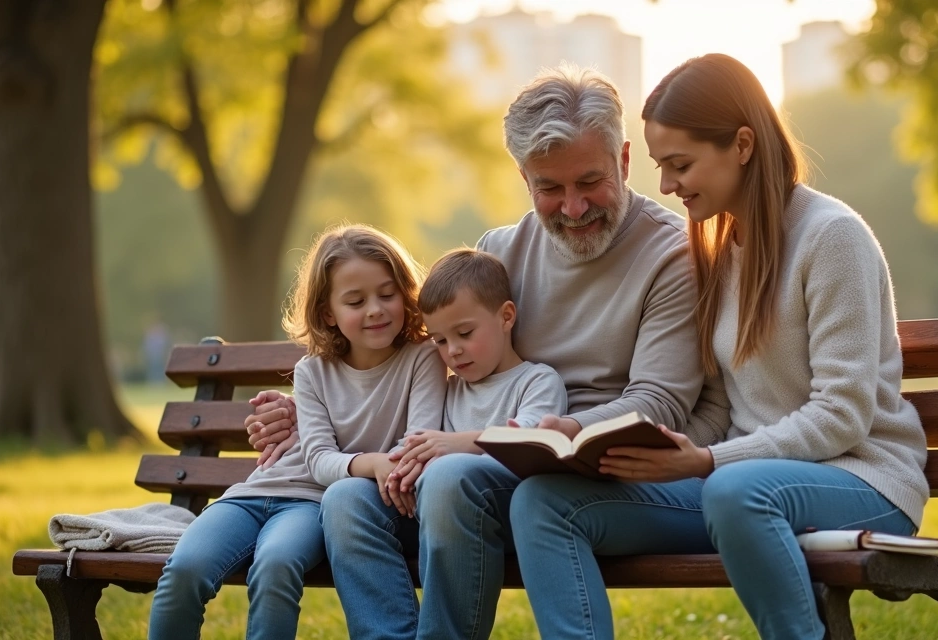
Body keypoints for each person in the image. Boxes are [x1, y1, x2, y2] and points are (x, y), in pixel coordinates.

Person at [245, 64, 727, 640]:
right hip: (499, 465)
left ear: (624, 161)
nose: (573, 208)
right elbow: (429, 347)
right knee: (350, 497)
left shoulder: (671, 255)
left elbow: (660, 404)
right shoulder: (501, 251)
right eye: (550, 188)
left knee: (451, 479)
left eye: (590, 181)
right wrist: (313, 404)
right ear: (524, 178)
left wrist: (546, 432)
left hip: (610, 472)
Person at [509, 53, 931, 640]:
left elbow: (844, 415)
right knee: (544, 502)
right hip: (739, 487)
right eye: (660, 165)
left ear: (741, 144)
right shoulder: (718, 250)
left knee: (737, 491)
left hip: (860, 479)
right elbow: (721, 406)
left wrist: (709, 463)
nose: (664, 186)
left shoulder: (832, 237)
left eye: (680, 164)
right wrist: (665, 452)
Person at [147, 224, 446, 640]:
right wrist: (373, 462)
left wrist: (381, 463)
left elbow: (416, 442)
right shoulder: (311, 370)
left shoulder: (422, 360)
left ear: (405, 292)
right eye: (355, 301)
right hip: (251, 495)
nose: (375, 309)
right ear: (328, 313)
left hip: (311, 506)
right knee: (184, 569)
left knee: (275, 565)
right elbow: (318, 456)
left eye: (387, 294)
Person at [318, 247, 569, 637]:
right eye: (439, 340)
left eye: (465, 334)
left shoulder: (537, 381)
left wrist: (456, 444)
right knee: (344, 499)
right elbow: (414, 439)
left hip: (500, 515)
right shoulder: (448, 387)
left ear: (506, 317)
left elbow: (531, 439)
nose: (452, 351)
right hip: (428, 512)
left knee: (449, 475)